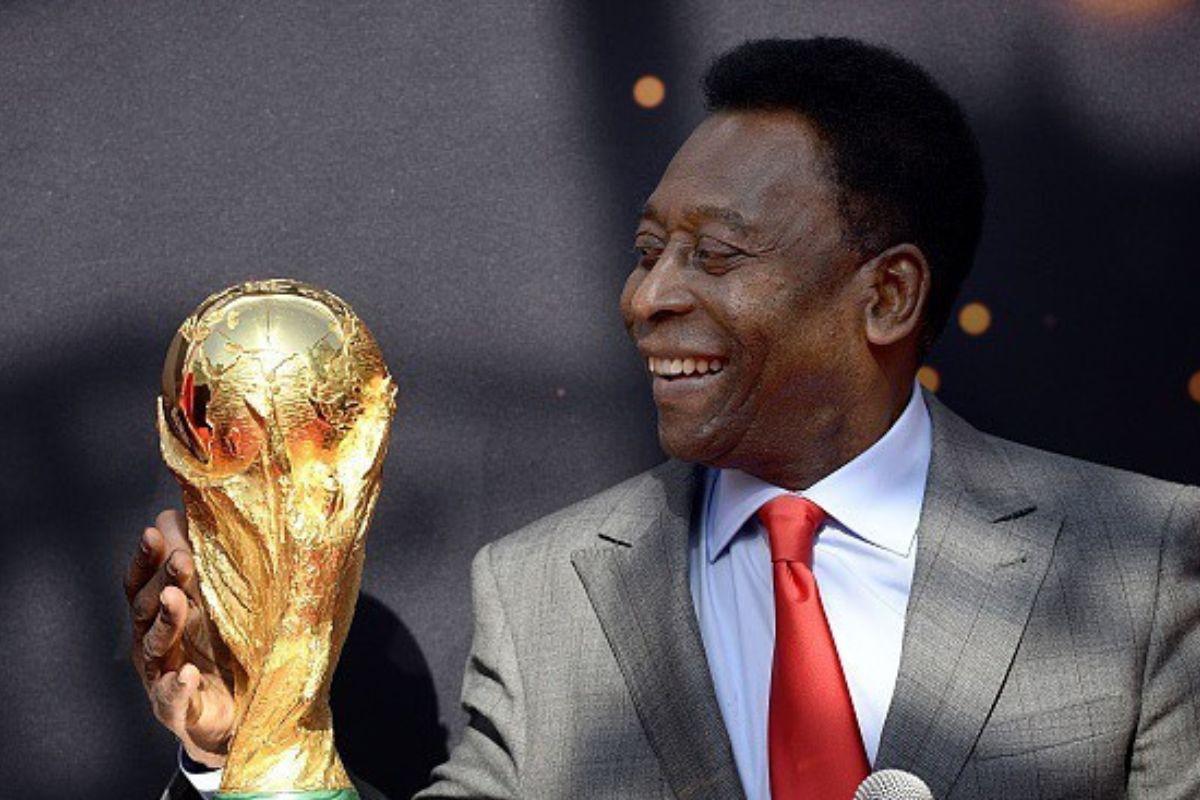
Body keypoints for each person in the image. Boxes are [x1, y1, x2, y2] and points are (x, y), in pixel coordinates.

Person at [127, 37, 1200, 800]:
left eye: (715, 256)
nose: (645, 299)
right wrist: (245, 749)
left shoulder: (1149, 562)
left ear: (886, 296)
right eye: (648, 253)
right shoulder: (543, 592)